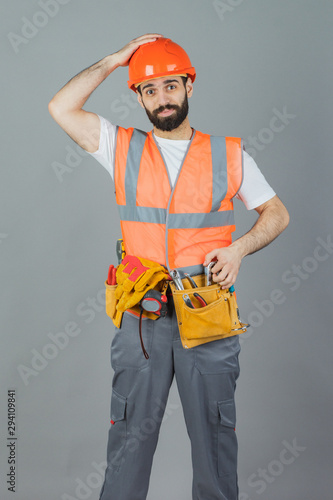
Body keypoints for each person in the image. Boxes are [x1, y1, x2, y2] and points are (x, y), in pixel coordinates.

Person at [49, 33, 289, 500]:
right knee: (128, 442)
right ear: (138, 96)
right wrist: (116, 60)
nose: (162, 98)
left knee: (215, 443)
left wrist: (238, 250)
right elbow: (61, 107)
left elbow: (277, 213)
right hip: (144, 315)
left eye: (171, 86)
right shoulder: (119, 147)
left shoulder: (229, 154)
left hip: (207, 313)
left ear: (189, 87)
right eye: (150, 89)